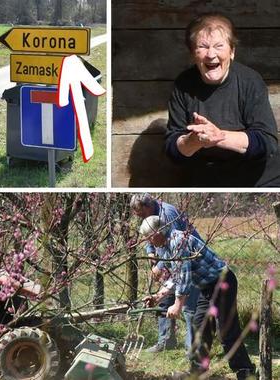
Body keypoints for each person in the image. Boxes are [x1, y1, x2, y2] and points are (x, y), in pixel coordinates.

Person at [165, 12, 280, 187]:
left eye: (219, 46)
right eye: (202, 46)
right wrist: (193, 141)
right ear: (192, 53)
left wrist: (219, 137)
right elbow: (173, 150)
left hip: (257, 178)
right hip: (208, 178)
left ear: (232, 51)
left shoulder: (250, 81)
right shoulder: (183, 85)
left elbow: (267, 142)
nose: (211, 54)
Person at [139, 216, 255, 379]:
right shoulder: (165, 246)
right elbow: (174, 276)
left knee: (226, 330)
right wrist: (157, 296)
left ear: (158, 232)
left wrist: (178, 305)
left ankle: (246, 371)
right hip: (207, 287)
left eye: (148, 237)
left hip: (222, 283)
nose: (148, 241)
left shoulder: (178, 241)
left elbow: (184, 275)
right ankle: (198, 370)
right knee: (200, 326)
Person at [130, 194, 200, 353]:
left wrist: (159, 266)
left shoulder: (167, 214)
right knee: (163, 300)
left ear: (147, 207)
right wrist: (150, 253)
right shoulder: (150, 215)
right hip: (171, 262)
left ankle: (193, 352)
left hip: (189, 264)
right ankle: (166, 341)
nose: (140, 217)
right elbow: (151, 237)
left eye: (141, 214)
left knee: (188, 307)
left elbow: (175, 248)